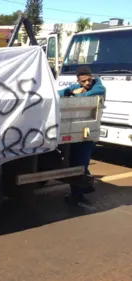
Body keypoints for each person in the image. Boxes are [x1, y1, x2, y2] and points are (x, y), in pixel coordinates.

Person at [57, 66, 106, 205]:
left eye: (89, 80)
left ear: (92, 76)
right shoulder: (76, 85)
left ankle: (79, 193)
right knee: (74, 163)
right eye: (83, 81)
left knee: (81, 163)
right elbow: (60, 92)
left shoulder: (99, 87)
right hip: (75, 131)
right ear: (78, 80)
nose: (87, 83)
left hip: (88, 133)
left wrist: (74, 95)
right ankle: (84, 188)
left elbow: (85, 96)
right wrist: (68, 91)